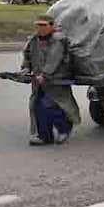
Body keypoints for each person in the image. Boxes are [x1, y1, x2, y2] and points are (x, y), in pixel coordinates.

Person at [21, 14, 81, 145]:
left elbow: (54, 59)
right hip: (39, 80)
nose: (40, 28)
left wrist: (45, 74)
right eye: (38, 25)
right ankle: (44, 136)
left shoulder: (58, 40)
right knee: (37, 106)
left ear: (51, 26)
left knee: (50, 104)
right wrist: (25, 68)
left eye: (44, 25)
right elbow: (27, 56)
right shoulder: (34, 40)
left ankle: (64, 127)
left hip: (56, 79)